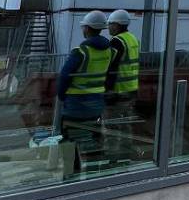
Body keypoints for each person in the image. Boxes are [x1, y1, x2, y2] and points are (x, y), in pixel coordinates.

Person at [56, 10, 113, 170]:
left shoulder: (81, 52)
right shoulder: (109, 51)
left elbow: (65, 76)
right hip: (96, 105)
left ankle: (72, 172)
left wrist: (61, 97)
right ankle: (95, 171)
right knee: (93, 140)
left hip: (76, 106)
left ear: (87, 28)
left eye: (84, 27)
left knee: (68, 139)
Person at [105, 9, 140, 103]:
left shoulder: (117, 41)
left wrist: (108, 88)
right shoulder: (133, 38)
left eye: (110, 24)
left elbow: (112, 66)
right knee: (127, 115)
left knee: (113, 116)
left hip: (119, 89)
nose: (108, 27)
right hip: (132, 86)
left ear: (116, 25)